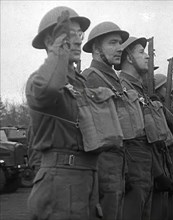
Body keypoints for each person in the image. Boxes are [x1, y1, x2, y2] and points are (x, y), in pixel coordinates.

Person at [26, 6, 103, 220]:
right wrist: (58, 50)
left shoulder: (80, 84)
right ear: (51, 41)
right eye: (70, 34)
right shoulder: (38, 81)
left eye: (80, 33)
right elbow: (50, 87)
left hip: (87, 179)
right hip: (60, 181)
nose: (78, 40)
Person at [82, 22, 144, 220]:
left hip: (118, 164)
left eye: (120, 43)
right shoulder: (90, 78)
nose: (119, 48)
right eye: (112, 43)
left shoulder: (113, 80)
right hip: (102, 167)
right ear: (95, 48)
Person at [117, 37, 173, 220]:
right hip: (132, 165)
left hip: (146, 165)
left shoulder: (141, 90)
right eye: (141, 52)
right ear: (128, 57)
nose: (147, 57)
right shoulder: (121, 87)